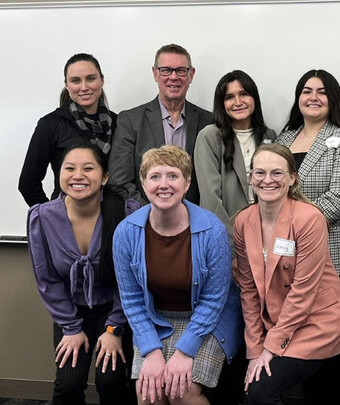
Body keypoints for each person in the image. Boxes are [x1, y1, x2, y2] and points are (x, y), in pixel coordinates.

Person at [112, 145, 243, 404]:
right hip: (154, 319)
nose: (164, 184)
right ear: (143, 183)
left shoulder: (212, 230)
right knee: (148, 394)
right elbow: (132, 300)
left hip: (207, 319)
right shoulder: (126, 232)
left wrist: (185, 352)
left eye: (173, 176)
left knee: (181, 392)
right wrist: (151, 351)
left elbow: (214, 300)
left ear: (187, 183)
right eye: (155, 176)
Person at [276, 69, 340, 403]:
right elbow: (269, 189)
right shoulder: (283, 139)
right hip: (292, 261)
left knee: (331, 354)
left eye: (321, 91)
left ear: (333, 98)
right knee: (302, 349)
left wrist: (289, 226)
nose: (313, 97)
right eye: (306, 90)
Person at [234, 143, 340, 405]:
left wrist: (271, 347)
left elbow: (303, 290)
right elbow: (248, 290)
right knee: (253, 388)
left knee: (261, 391)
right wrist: (255, 350)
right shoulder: (243, 221)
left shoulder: (309, 218)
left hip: (318, 320)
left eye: (277, 173)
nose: (268, 180)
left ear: (292, 178)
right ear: (251, 178)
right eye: (260, 173)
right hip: (278, 322)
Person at [27, 143, 137, 404]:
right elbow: (48, 280)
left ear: (104, 177)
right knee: (68, 384)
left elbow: (131, 281)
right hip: (70, 310)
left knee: (110, 381)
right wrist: (70, 327)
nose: (78, 176)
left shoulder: (125, 213)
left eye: (89, 168)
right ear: (59, 174)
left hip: (115, 308)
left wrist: (114, 328)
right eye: (69, 168)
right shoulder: (42, 217)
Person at [108, 44, 210, 205]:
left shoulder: (208, 122)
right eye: (166, 70)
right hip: (147, 220)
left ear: (191, 74)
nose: (174, 77)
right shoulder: (130, 121)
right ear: (155, 74)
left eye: (181, 70)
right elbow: (119, 180)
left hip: (195, 221)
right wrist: (152, 214)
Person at [194, 69, 277, 251]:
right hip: (228, 236)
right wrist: (230, 246)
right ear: (222, 103)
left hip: (267, 234)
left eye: (244, 94)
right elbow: (210, 200)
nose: (238, 102)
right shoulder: (209, 136)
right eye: (229, 97)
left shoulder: (268, 135)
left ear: (254, 97)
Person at [19, 53, 117, 207]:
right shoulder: (50, 125)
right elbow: (28, 183)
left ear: (102, 80)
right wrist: (50, 216)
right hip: (67, 217)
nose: (84, 87)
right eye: (75, 81)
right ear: (67, 84)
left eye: (91, 79)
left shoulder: (119, 123)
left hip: (111, 218)